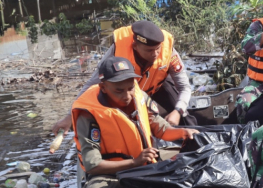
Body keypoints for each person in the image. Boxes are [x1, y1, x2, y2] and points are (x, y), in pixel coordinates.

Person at [72, 57, 199, 188]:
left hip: (146, 162)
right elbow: (93, 165)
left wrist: (184, 132)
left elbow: (161, 128)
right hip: (113, 174)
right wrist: (134, 162)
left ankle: (150, 183)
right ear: (103, 87)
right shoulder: (89, 115)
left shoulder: (139, 97)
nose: (127, 96)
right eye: (118, 91)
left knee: (195, 157)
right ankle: (150, 185)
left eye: (130, 88)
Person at [52, 20, 194, 135]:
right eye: (149, 50)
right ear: (135, 46)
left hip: (157, 86)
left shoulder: (168, 50)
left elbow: (185, 87)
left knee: (185, 114)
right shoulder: (117, 51)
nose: (155, 54)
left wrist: (178, 111)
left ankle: (195, 142)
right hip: (127, 92)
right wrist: (69, 116)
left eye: (158, 49)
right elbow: (92, 85)